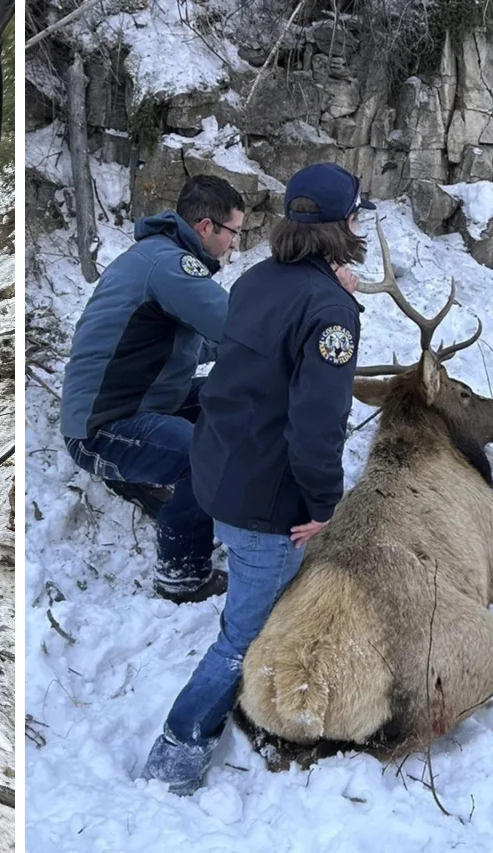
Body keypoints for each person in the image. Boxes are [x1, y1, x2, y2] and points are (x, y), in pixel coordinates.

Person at [140, 162, 371, 795]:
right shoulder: (330, 312)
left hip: (223, 478)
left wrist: (332, 292)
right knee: (240, 637)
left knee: (256, 608)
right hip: (268, 506)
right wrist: (325, 502)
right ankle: (177, 750)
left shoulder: (259, 280)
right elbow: (316, 427)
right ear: (340, 226)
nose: (359, 224)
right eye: (355, 215)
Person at [59, 174, 245, 603]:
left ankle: (173, 492)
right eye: (234, 232)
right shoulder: (171, 267)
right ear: (205, 227)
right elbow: (236, 327)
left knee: (231, 393)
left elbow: (198, 345)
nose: (235, 243)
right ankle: (181, 576)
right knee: (203, 453)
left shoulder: (158, 258)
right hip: (101, 428)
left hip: (144, 402)